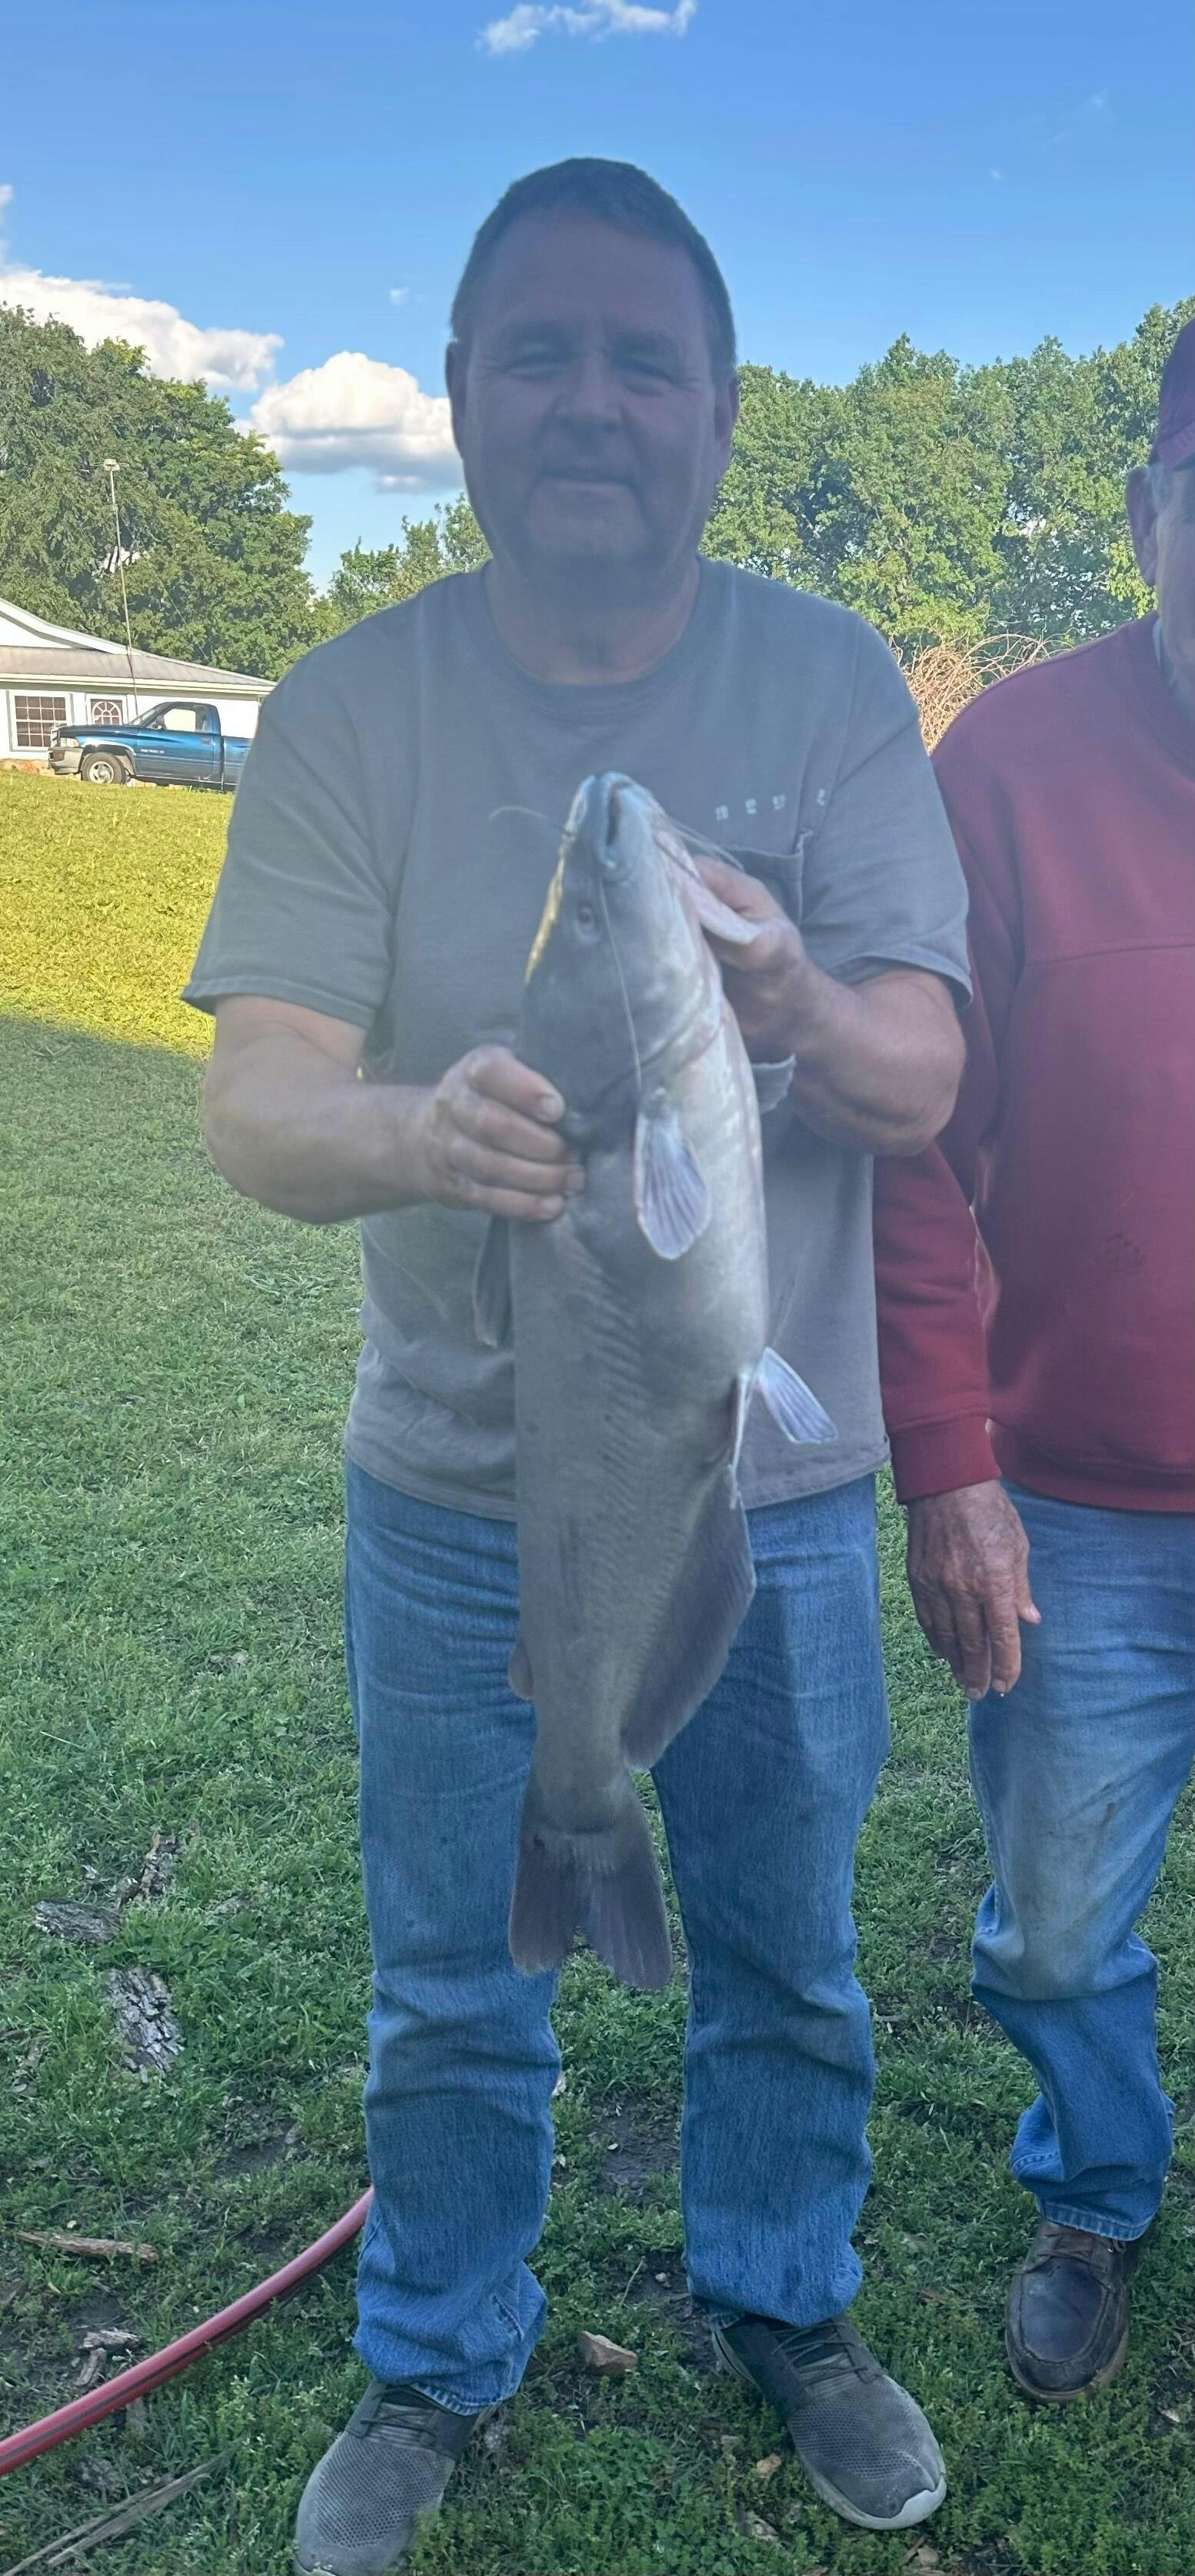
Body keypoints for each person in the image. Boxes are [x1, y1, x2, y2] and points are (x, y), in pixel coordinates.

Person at [185, 159, 969, 2575]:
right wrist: (419, 1126)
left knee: (791, 1958)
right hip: (452, 1492)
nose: (594, 402)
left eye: (647, 361)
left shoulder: (830, 683)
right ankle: (435, 2352)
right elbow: (256, 1098)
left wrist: (788, 997)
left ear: (720, 411)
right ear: (458, 397)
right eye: (543, 353)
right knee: (450, 1983)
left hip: (763, 1492)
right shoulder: (354, 704)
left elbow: (923, 1068)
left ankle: (786, 2302)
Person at [874, 314, 1195, 2407]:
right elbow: (909, 1149)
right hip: (1078, 1498)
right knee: (1057, 1924)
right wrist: (947, 1463)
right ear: (1153, 510)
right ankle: (1097, 2182)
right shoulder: (1003, 766)